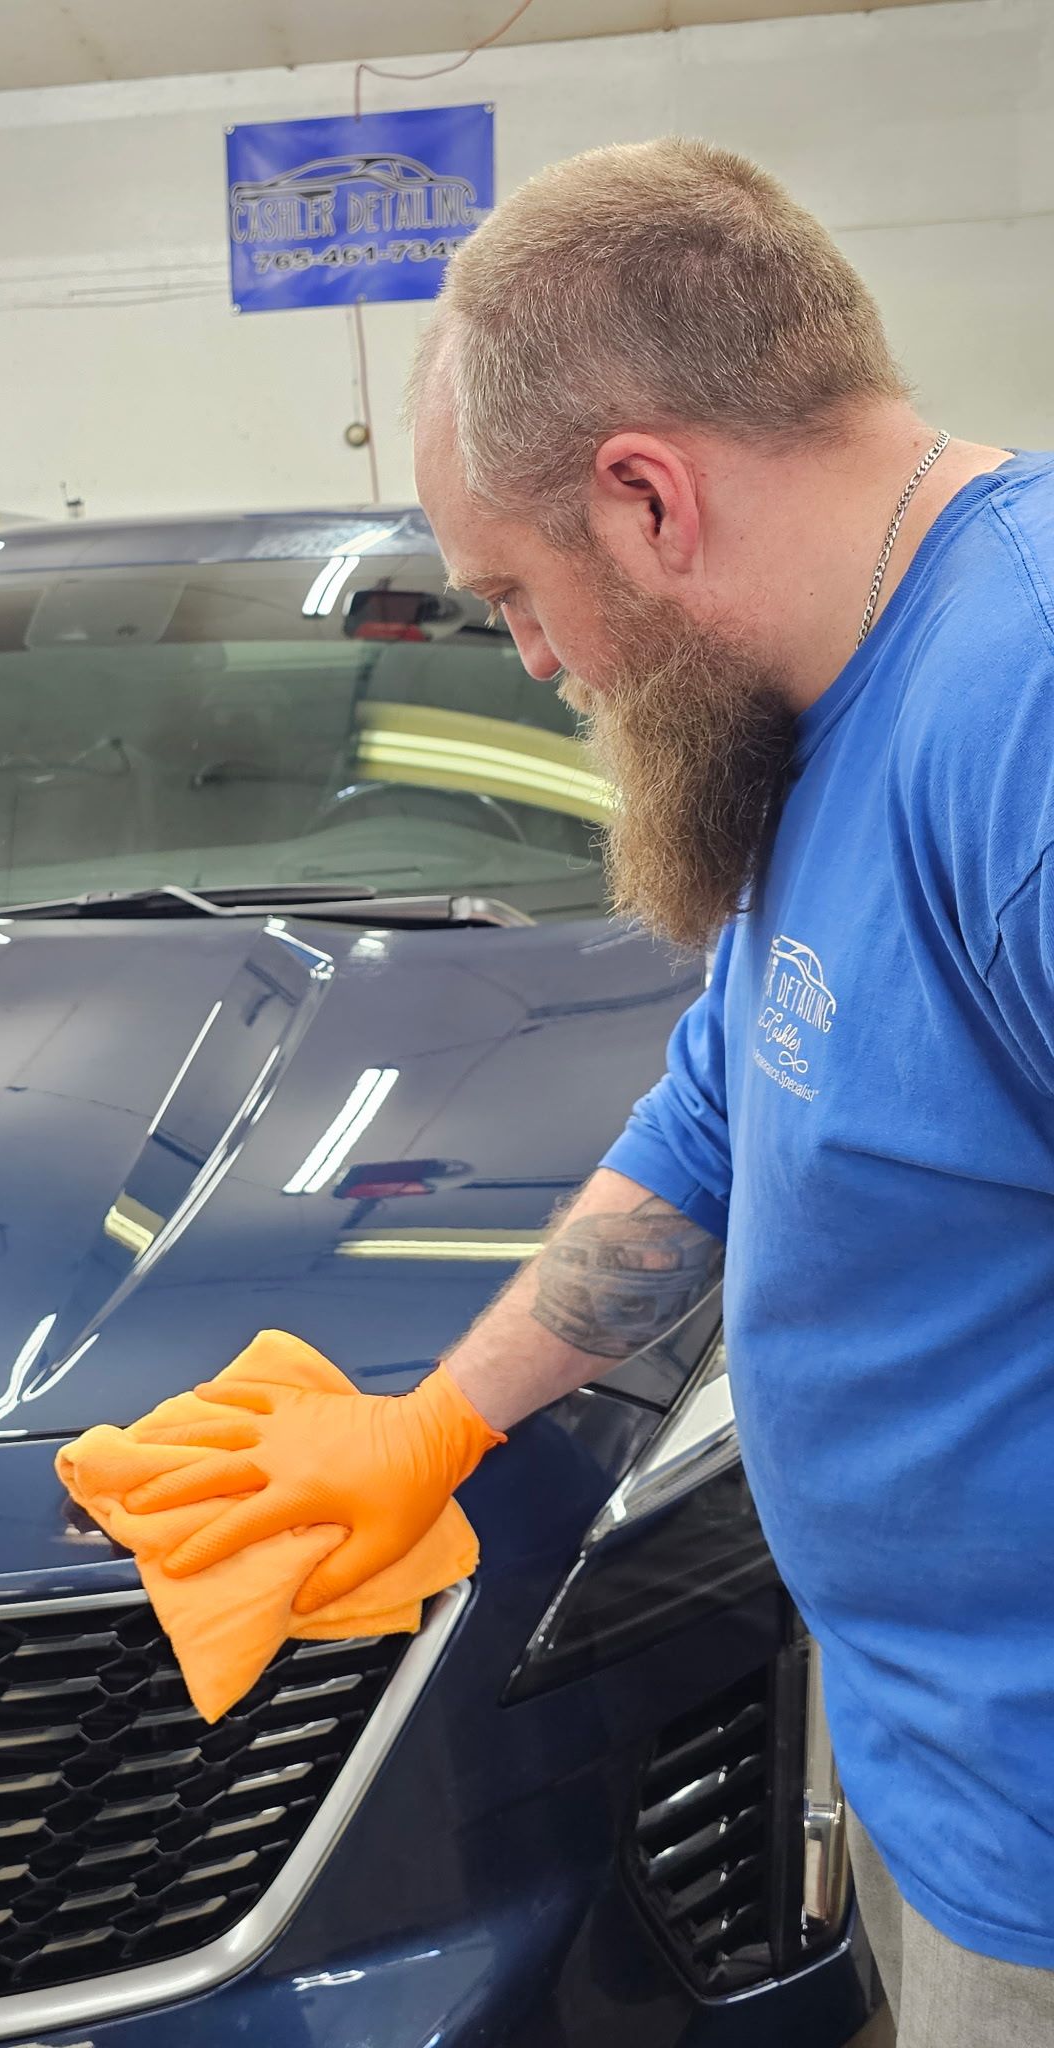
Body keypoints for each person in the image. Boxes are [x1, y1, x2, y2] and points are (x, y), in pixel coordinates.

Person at [110, 140, 1054, 2046]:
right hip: (941, 1776)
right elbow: (725, 1110)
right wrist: (430, 1429)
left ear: (645, 497)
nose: (536, 664)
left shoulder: (1021, 710)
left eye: (518, 596)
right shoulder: (836, 692)